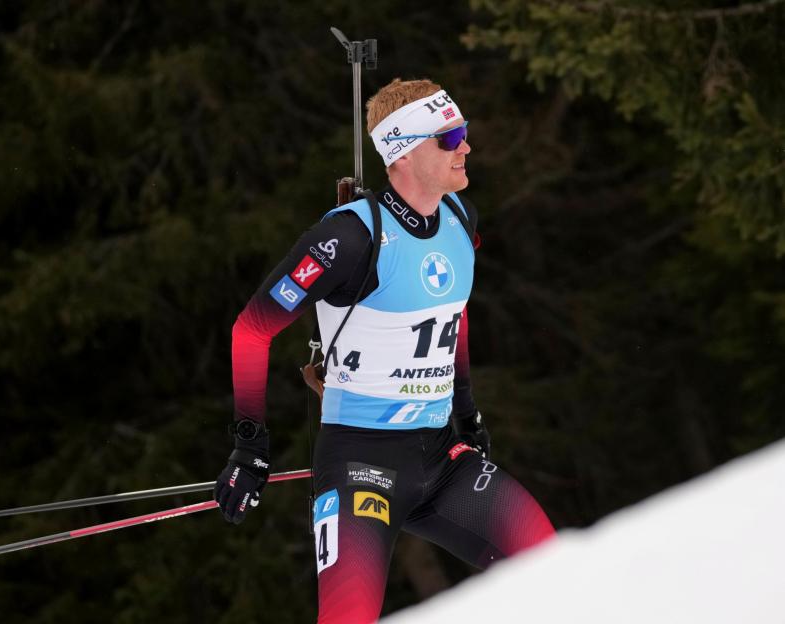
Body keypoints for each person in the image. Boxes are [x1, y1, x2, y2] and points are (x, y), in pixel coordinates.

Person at [214, 78, 555, 623]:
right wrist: (249, 447)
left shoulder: (462, 220)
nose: (466, 146)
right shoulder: (350, 239)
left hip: (442, 459)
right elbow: (251, 330)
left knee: (555, 571)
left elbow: (453, 316)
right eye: (451, 136)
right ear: (404, 149)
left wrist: (468, 415)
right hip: (359, 465)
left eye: (463, 132)